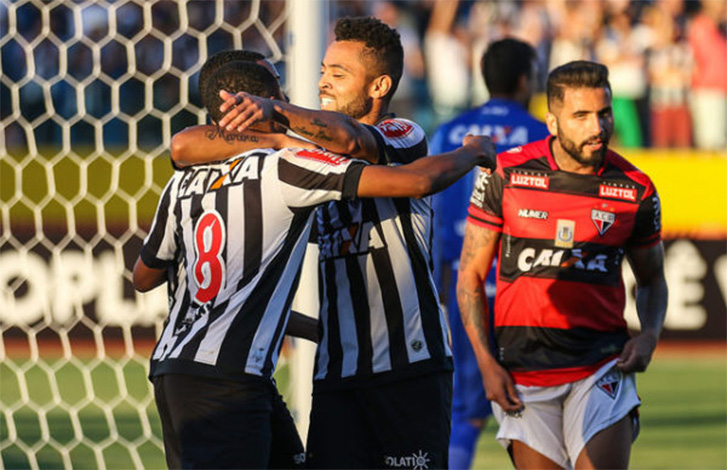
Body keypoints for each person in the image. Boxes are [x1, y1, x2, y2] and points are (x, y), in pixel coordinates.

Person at [134, 59, 496, 469]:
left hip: (175, 368)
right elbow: (415, 182)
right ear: (260, 103)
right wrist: (472, 152)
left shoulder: (182, 180)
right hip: (230, 382)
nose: (290, 101)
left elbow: (144, 275)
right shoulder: (289, 165)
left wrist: (308, 326)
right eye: (280, 95)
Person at [456, 60, 668, 469]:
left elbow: (653, 280)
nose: (597, 127)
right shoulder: (506, 174)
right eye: (581, 116)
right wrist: (486, 363)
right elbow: (470, 275)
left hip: (601, 364)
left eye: (604, 113)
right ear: (552, 121)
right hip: (523, 372)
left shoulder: (636, 188)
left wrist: (650, 335)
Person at [430, 38, 550, 470]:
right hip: (526, 293)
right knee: (542, 408)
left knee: (465, 410)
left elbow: (435, 217)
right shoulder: (542, 134)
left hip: (466, 287)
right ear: (525, 79)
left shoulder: (449, 133)